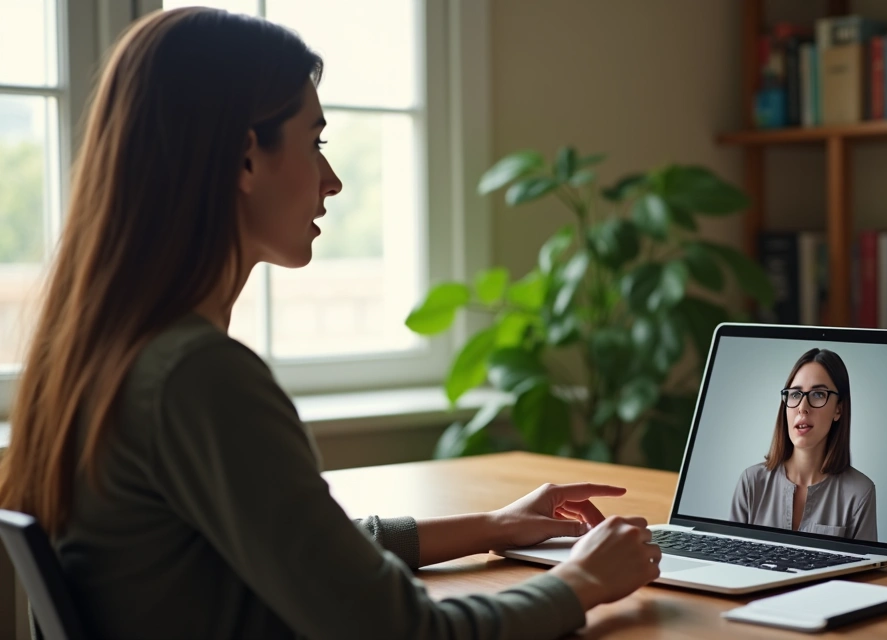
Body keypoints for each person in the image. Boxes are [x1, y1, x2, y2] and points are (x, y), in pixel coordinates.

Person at [0, 8, 660, 639]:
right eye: (315, 143)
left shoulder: (98, 359)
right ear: (245, 158)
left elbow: (304, 553)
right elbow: (402, 631)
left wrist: (493, 525)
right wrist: (581, 582)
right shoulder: (198, 378)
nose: (333, 180)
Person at [728, 348, 878, 542]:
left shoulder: (860, 493)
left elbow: (865, 571)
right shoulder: (751, 483)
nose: (802, 408)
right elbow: (731, 563)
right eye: (795, 394)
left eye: (817, 394)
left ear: (838, 409)